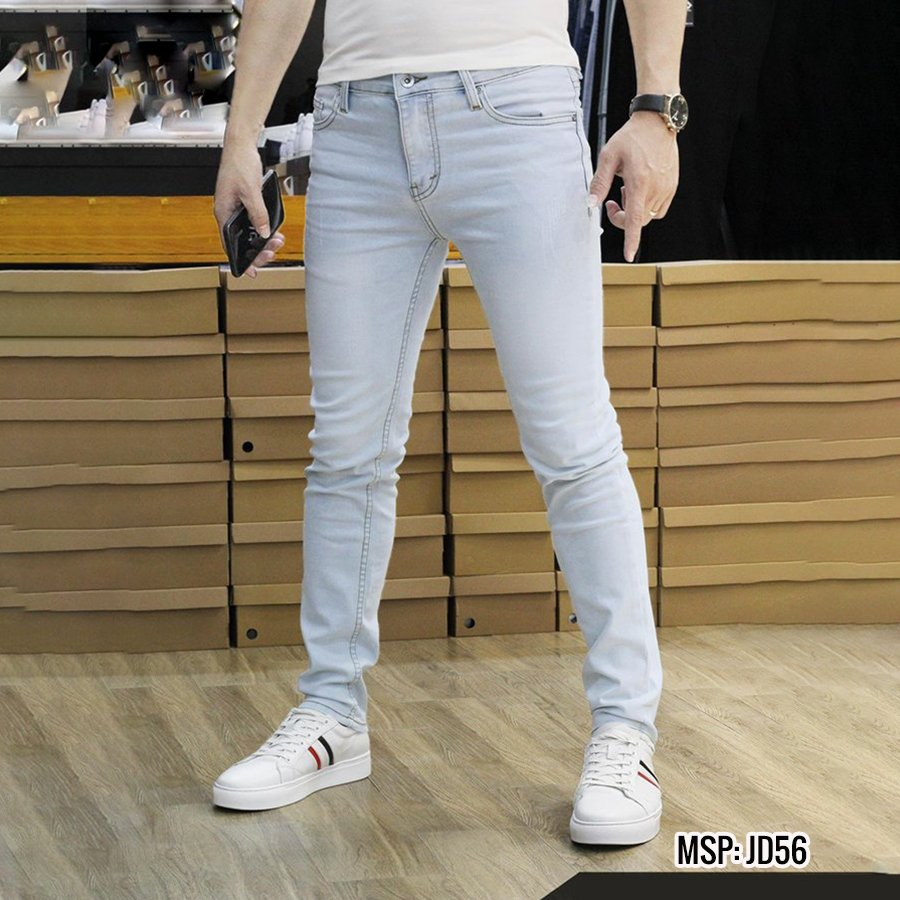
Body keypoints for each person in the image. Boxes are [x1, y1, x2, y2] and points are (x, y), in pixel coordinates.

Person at [212, 0, 686, 846]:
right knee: (346, 449)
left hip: (515, 107)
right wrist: (241, 134)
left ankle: (626, 733)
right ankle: (331, 713)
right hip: (354, 122)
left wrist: (657, 108)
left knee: (573, 441)